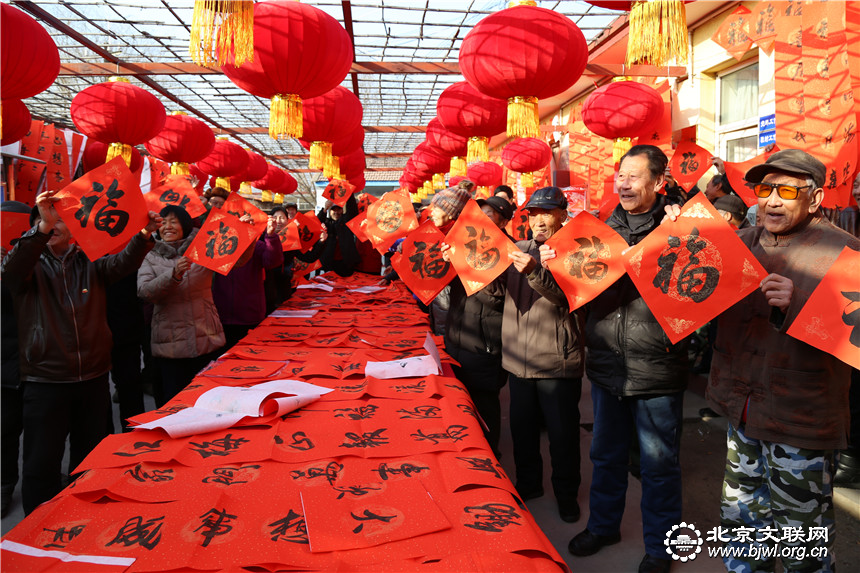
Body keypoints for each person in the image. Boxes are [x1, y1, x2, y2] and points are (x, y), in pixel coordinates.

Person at [694, 149, 859, 572]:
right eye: (764, 188)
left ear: (817, 198)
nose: (771, 200)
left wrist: (800, 305)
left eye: (787, 190)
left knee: (800, 537)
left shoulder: (847, 255)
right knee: (741, 526)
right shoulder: (735, 245)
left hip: (801, 421)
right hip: (740, 410)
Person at [556, 145, 687, 573]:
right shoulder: (596, 231)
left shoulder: (682, 228)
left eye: (634, 176)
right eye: (620, 176)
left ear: (658, 183)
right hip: (609, 365)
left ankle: (662, 547)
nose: (624, 183)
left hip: (658, 368)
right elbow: (570, 296)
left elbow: (705, 296)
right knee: (606, 456)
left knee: (659, 466)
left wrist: (685, 238)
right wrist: (547, 267)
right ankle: (604, 526)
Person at [2, 189, 160, 514]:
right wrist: (41, 227)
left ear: (75, 231)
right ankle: (37, 530)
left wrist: (144, 235)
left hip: (93, 376)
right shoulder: (26, 267)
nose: (54, 225)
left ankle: (83, 519)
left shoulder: (91, 265)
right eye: (47, 221)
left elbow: (123, 262)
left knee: (90, 456)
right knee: (41, 462)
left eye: (61, 221)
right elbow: (11, 272)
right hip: (46, 380)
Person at [491, 186, 585, 524]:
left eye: (546, 212)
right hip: (518, 362)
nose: (538, 220)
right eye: (532, 213)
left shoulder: (577, 251)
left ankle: (566, 495)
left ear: (562, 214)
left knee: (563, 437)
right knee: (522, 431)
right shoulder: (517, 250)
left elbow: (567, 297)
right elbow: (492, 292)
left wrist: (534, 271)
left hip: (556, 363)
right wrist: (459, 265)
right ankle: (528, 484)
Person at [443, 195, 513, 458]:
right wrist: (447, 263)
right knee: (461, 404)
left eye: (490, 215)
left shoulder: (509, 251)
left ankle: (489, 457)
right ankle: (467, 453)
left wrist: (464, 266)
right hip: (457, 339)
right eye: (480, 212)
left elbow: (500, 296)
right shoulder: (465, 244)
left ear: (504, 221)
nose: (482, 218)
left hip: (485, 345)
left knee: (485, 406)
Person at [137, 205, 225, 406]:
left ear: (185, 224)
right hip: (171, 346)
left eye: (173, 221)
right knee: (175, 407)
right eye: (163, 222)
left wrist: (247, 237)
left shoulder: (203, 248)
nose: (167, 227)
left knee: (210, 404)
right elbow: (145, 291)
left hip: (207, 339)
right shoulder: (150, 256)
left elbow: (236, 260)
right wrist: (173, 274)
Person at [213, 214, 284, 351]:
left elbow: (272, 262)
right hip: (220, 313)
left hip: (250, 312)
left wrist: (270, 236)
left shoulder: (257, 245)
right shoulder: (216, 245)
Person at [315, 196, 360, 277]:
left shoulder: (346, 221)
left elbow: (352, 209)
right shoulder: (326, 223)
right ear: (329, 211)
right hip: (329, 263)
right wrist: (325, 209)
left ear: (342, 210)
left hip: (346, 263)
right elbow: (316, 223)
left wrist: (349, 193)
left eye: (338, 209)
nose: (336, 212)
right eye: (333, 210)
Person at [264, 206, 293, 313]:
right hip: (267, 286)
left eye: (282, 218)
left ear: (287, 220)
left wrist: (321, 242)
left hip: (285, 285)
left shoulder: (293, 237)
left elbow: (309, 257)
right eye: (275, 217)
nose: (278, 221)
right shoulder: (262, 237)